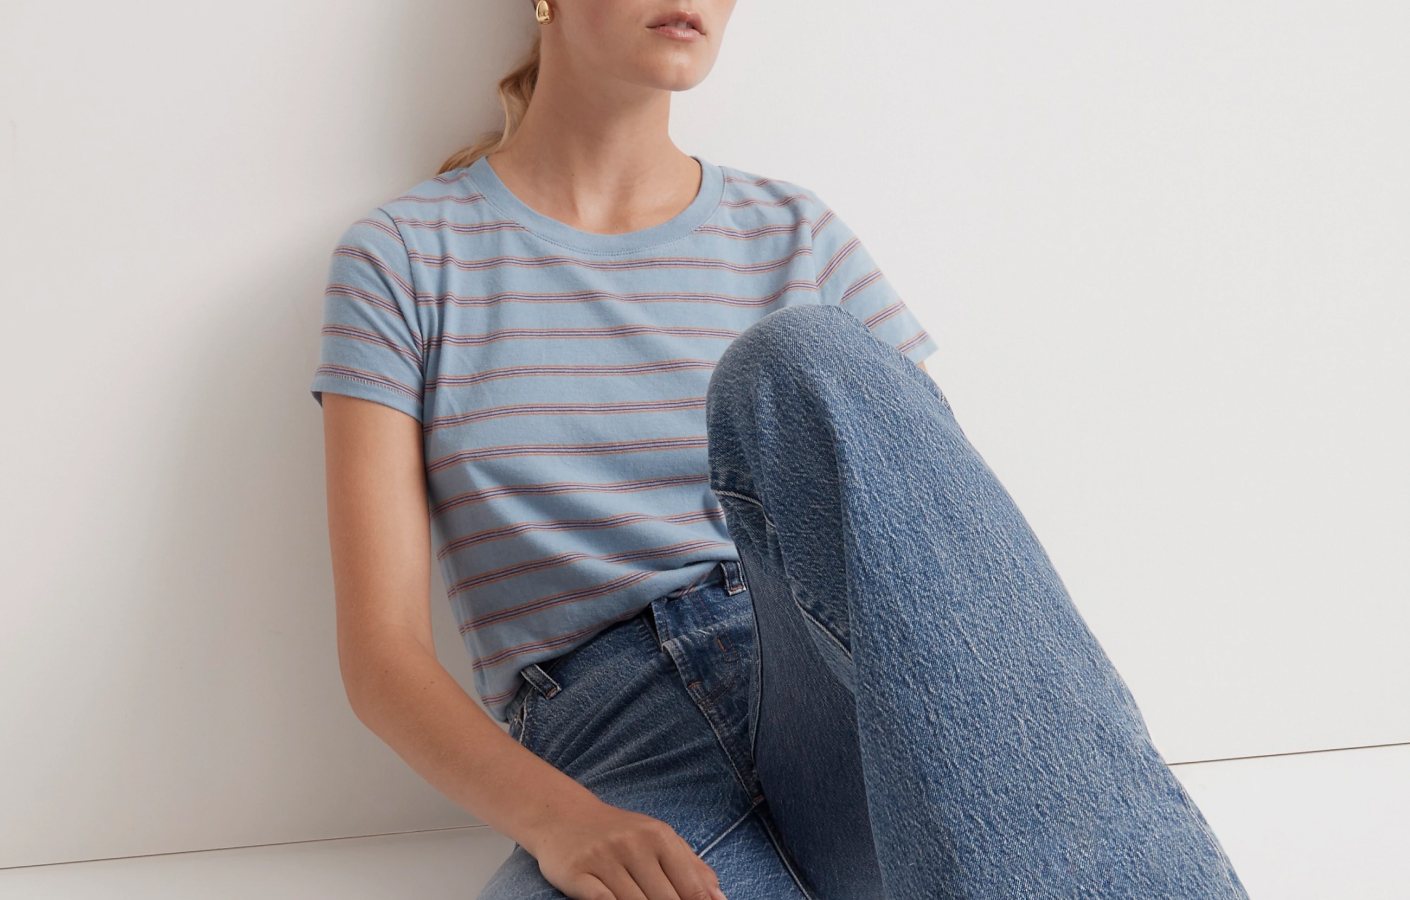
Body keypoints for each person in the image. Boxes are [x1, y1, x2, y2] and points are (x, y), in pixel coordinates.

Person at [310, 2, 1251, 897]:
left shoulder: (797, 234)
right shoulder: (403, 259)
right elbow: (384, 659)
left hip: (846, 705)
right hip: (619, 761)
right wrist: (564, 823)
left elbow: (941, 547)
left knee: (800, 359)